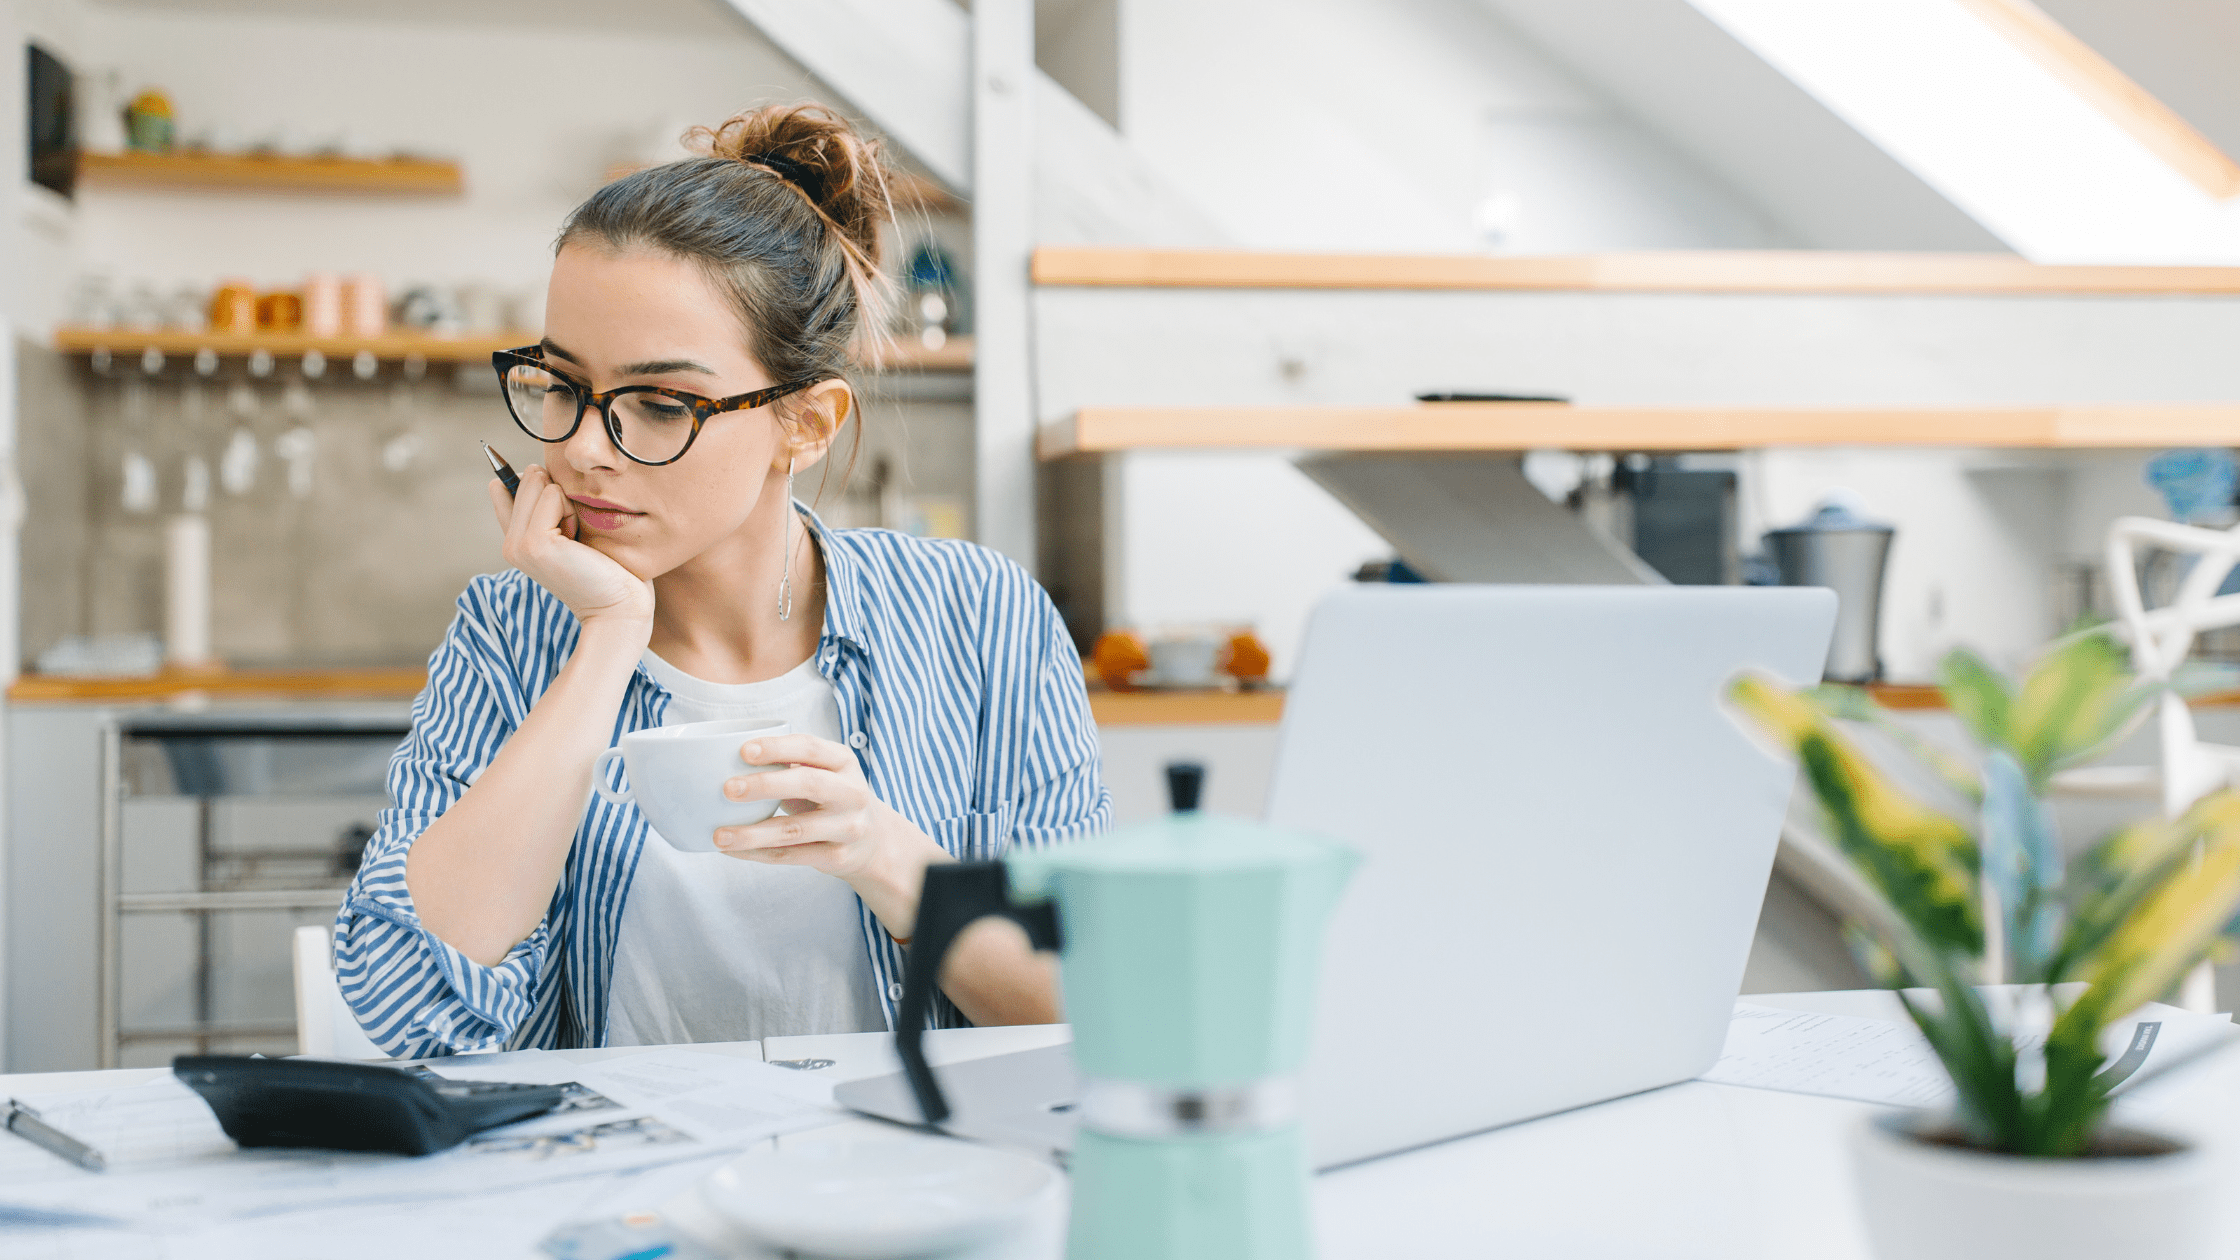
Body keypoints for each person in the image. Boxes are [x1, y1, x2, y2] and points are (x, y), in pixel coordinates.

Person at [336, 104, 1110, 1057]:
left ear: (807, 424)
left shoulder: (979, 617)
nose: (582, 450)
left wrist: (883, 854)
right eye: (562, 385)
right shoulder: (512, 629)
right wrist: (609, 637)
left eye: (661, 405)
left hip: (906, 1178)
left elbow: (1085, 1008)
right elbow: (408, 1010)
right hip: (612, 1187)